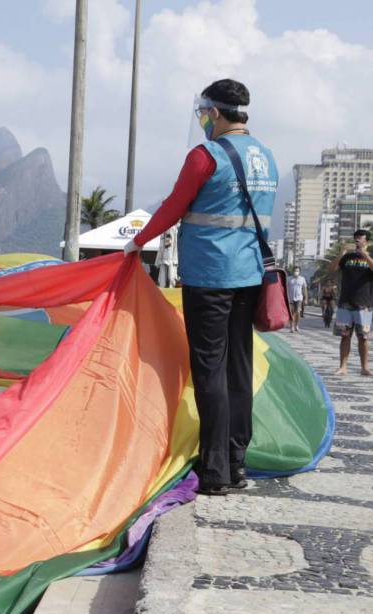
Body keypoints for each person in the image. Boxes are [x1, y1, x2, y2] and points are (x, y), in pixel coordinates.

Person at [123, 79, 277, 496]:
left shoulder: (205, 156)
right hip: (250, 277)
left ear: (216, 113)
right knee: (238, 369)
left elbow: (173, 207)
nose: (203, 121)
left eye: (204, 113)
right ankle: (236, 462)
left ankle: (214, 472)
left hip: (210, 276)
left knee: (210, 370)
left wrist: (136, 243)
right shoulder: (267, 156)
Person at [330, 229, 373, 376]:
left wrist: (365, 255)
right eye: (356, 240)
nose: (358, 242)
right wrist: (341, 253)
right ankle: (343, 367)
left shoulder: (369, 257)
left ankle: (364, 367)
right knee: (345, 336)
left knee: (363, 337)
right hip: (345, 302)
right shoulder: (347, 257)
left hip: (364, 304)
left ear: (366, 241)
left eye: (360, 240)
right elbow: (332, 268)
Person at [287, 266, 307, 332]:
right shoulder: (288, 279)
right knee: (292, 312)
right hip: (290, 298)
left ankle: (297, 325)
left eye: (297, 271)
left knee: (298, 312)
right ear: (293, 271)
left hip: (299, 298)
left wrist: (305, 298)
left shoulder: (302, 279)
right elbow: (285, 288)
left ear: (299, 272)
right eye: (295, 271)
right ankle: (291, 326)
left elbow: (304, 289)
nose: (296, 272)